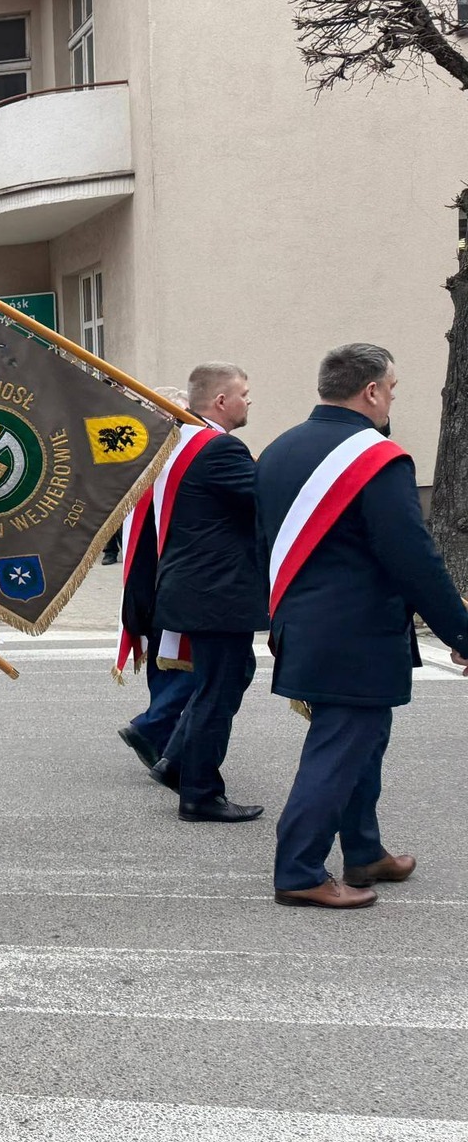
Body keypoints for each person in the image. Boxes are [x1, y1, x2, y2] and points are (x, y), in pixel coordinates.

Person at [256, 344, 468, 909]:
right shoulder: (378, 457)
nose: (393, 399)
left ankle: (364, 851)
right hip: (357, 634)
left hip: (304, 624)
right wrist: (462, 632)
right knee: (338, 750)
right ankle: (300, 871)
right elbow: (413, 557)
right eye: (392, 389)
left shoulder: (278, 449)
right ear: (371, 391)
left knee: (361, 745)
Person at [149, 363, 267, 822]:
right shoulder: (220, 449)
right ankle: (199, 792)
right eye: (244, 392)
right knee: (218, 689)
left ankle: (176, 760)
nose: (248, 401)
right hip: (216, 593)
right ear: (221, 401)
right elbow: (266, 501)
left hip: (198, 587)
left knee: (230, 676)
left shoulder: (185, 443)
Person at [116, 386, 195, 772]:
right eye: (178, 417)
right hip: (161, 579)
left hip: (153, 579)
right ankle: (152, 729)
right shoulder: (163, 464)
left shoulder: (146, 461)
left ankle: (163, 743)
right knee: (181, 662)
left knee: (167, 662)